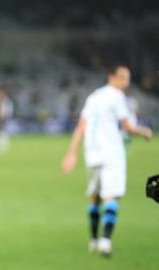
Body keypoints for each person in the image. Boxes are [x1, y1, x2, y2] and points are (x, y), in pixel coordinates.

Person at [61, 65, 153, 257]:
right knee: (111, 196)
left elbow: (81, 127)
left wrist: (72, 153)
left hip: (92, 152)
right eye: (122, 77)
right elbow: (128, 126)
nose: (125, 82)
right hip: (111, 152)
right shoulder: (117, 96)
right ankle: (105, 241)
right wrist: (143, 131)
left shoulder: (93, 97)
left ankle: (93, 241)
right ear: (111, 77)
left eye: (127, 78)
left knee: (95, 197)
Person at [0, 87, 13, 153]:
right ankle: (1, 147)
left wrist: (3, 117)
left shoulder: (6, 101)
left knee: (3, 132)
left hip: (4, 118)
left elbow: (8, 111)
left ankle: (3, 147)